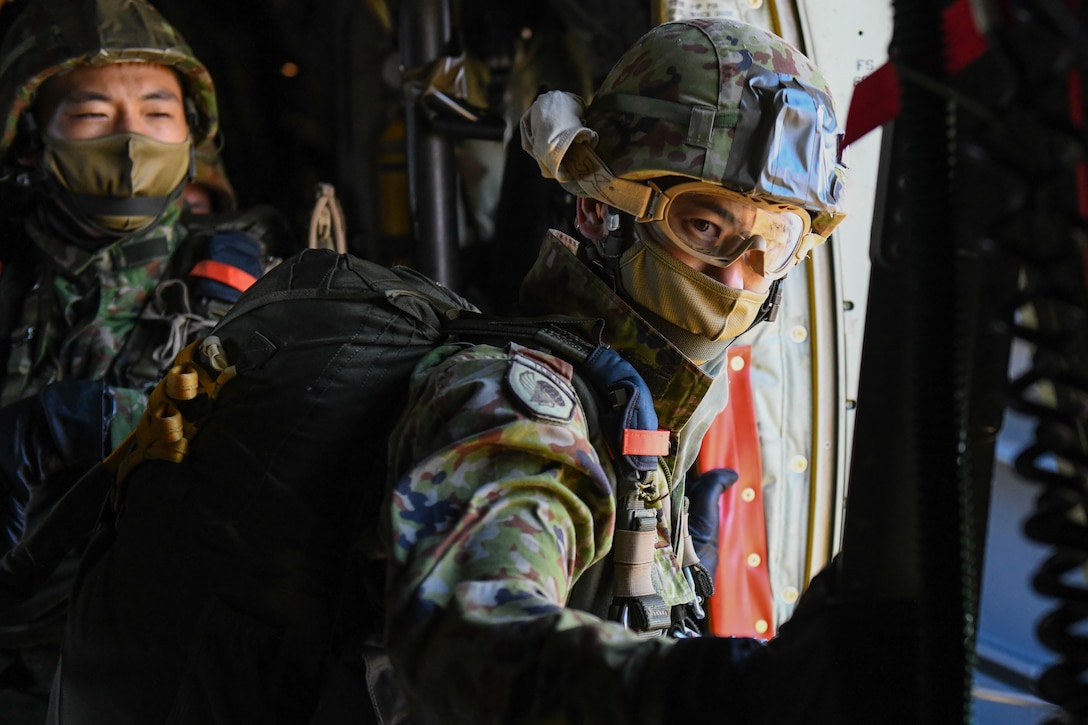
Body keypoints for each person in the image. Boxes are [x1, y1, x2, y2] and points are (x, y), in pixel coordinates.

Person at [379, 16, 847, 723]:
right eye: (703, 225)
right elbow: (464, 629)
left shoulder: (656, 420)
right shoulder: (525, 409)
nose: (735, 275)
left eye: (771, 243)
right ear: (601, 209)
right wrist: (715, 694)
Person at [0, 0, 285, 716]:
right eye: (92, 114)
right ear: (32, 137)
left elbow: (284, 454)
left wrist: (110, 416)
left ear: (194, 135)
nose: (130, 141)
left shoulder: (256, 282)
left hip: (162, 664)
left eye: (158, 113)